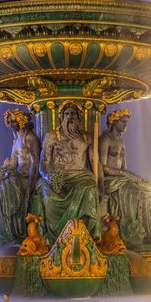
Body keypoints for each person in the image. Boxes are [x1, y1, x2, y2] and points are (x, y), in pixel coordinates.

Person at [36, 101, 101, 243]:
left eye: (73, 114)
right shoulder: (52, 136)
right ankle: (56, 239)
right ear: (61, 117)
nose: (69, 117)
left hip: (81, 177)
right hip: (56, 178)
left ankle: (84, 237)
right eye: (66, 114)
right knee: (48, 196)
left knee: (88, 190)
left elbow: (95, 164)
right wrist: (48, 176)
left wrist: (100, 184)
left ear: (79, 117)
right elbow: (44, 162)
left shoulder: (88, 137)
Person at [99, 109, 151, 248]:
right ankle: (133, 231)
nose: (126, 125)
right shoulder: (106, 139)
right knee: (137, 192)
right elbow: (103, 167)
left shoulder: (120, 142)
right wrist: (126, 175)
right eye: (123, 122)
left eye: (127, 122)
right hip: (109, 179)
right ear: (114, 122)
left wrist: (140, 180)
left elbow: (124, 168)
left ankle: (146, 230)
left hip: (121, 178)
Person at [0, 109, 41, 244]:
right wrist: (0, 175)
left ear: (21, 121)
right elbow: (13, 164)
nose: (11, 124)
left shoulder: (30, 138)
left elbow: (35, 162)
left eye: (13, 121)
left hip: (25, 178)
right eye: (9, 122)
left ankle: (6, 233)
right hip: (16, 176)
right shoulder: (17, 140)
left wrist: (32, 184)